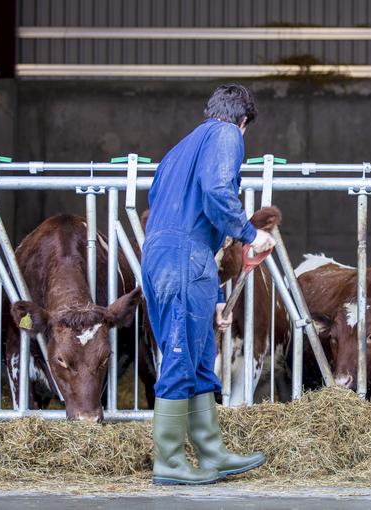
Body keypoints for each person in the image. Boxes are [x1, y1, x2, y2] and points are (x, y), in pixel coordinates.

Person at [142, 84, 275, 485]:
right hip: (185, 256)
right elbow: (218, 193)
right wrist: (251, 234)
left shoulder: (177, 151)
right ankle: (168, 461)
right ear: (244, 121)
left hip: (174, 258)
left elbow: (185, 214)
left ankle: (211, 451)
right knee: (182, 355)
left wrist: (214, 298)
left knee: (199, 357)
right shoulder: (225, 135)